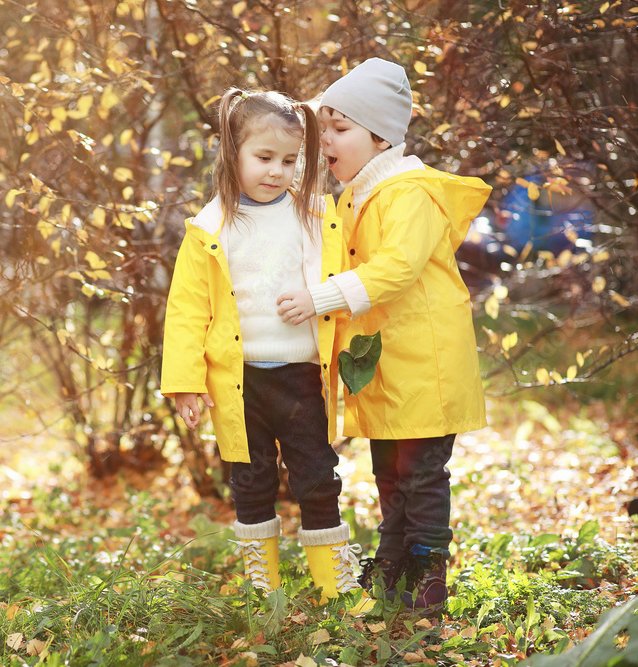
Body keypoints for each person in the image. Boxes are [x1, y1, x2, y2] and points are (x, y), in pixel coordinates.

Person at [283, 58, 491, 615]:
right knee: (389, 472)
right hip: (382, 368)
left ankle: (428, 574)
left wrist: (321, 299)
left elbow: (397, 267)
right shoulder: (354, 198)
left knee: (421, 476)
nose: (325, 139)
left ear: (382, 137)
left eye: (340, 128)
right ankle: (393, 560)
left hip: (425, 366)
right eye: (323, 127)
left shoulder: (409, 193)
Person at [161, 87, 368, 609]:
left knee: (317, 475)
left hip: (299, 374)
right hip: (239, 380)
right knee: (250, 479)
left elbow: (344, 275)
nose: (276, 171)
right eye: (263, 158)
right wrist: (185, 382)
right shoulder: (210, 227)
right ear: (232, 152)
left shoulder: (312, 217)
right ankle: (263, 586)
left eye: (289, 160)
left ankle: (332, 584)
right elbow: (187, 310)